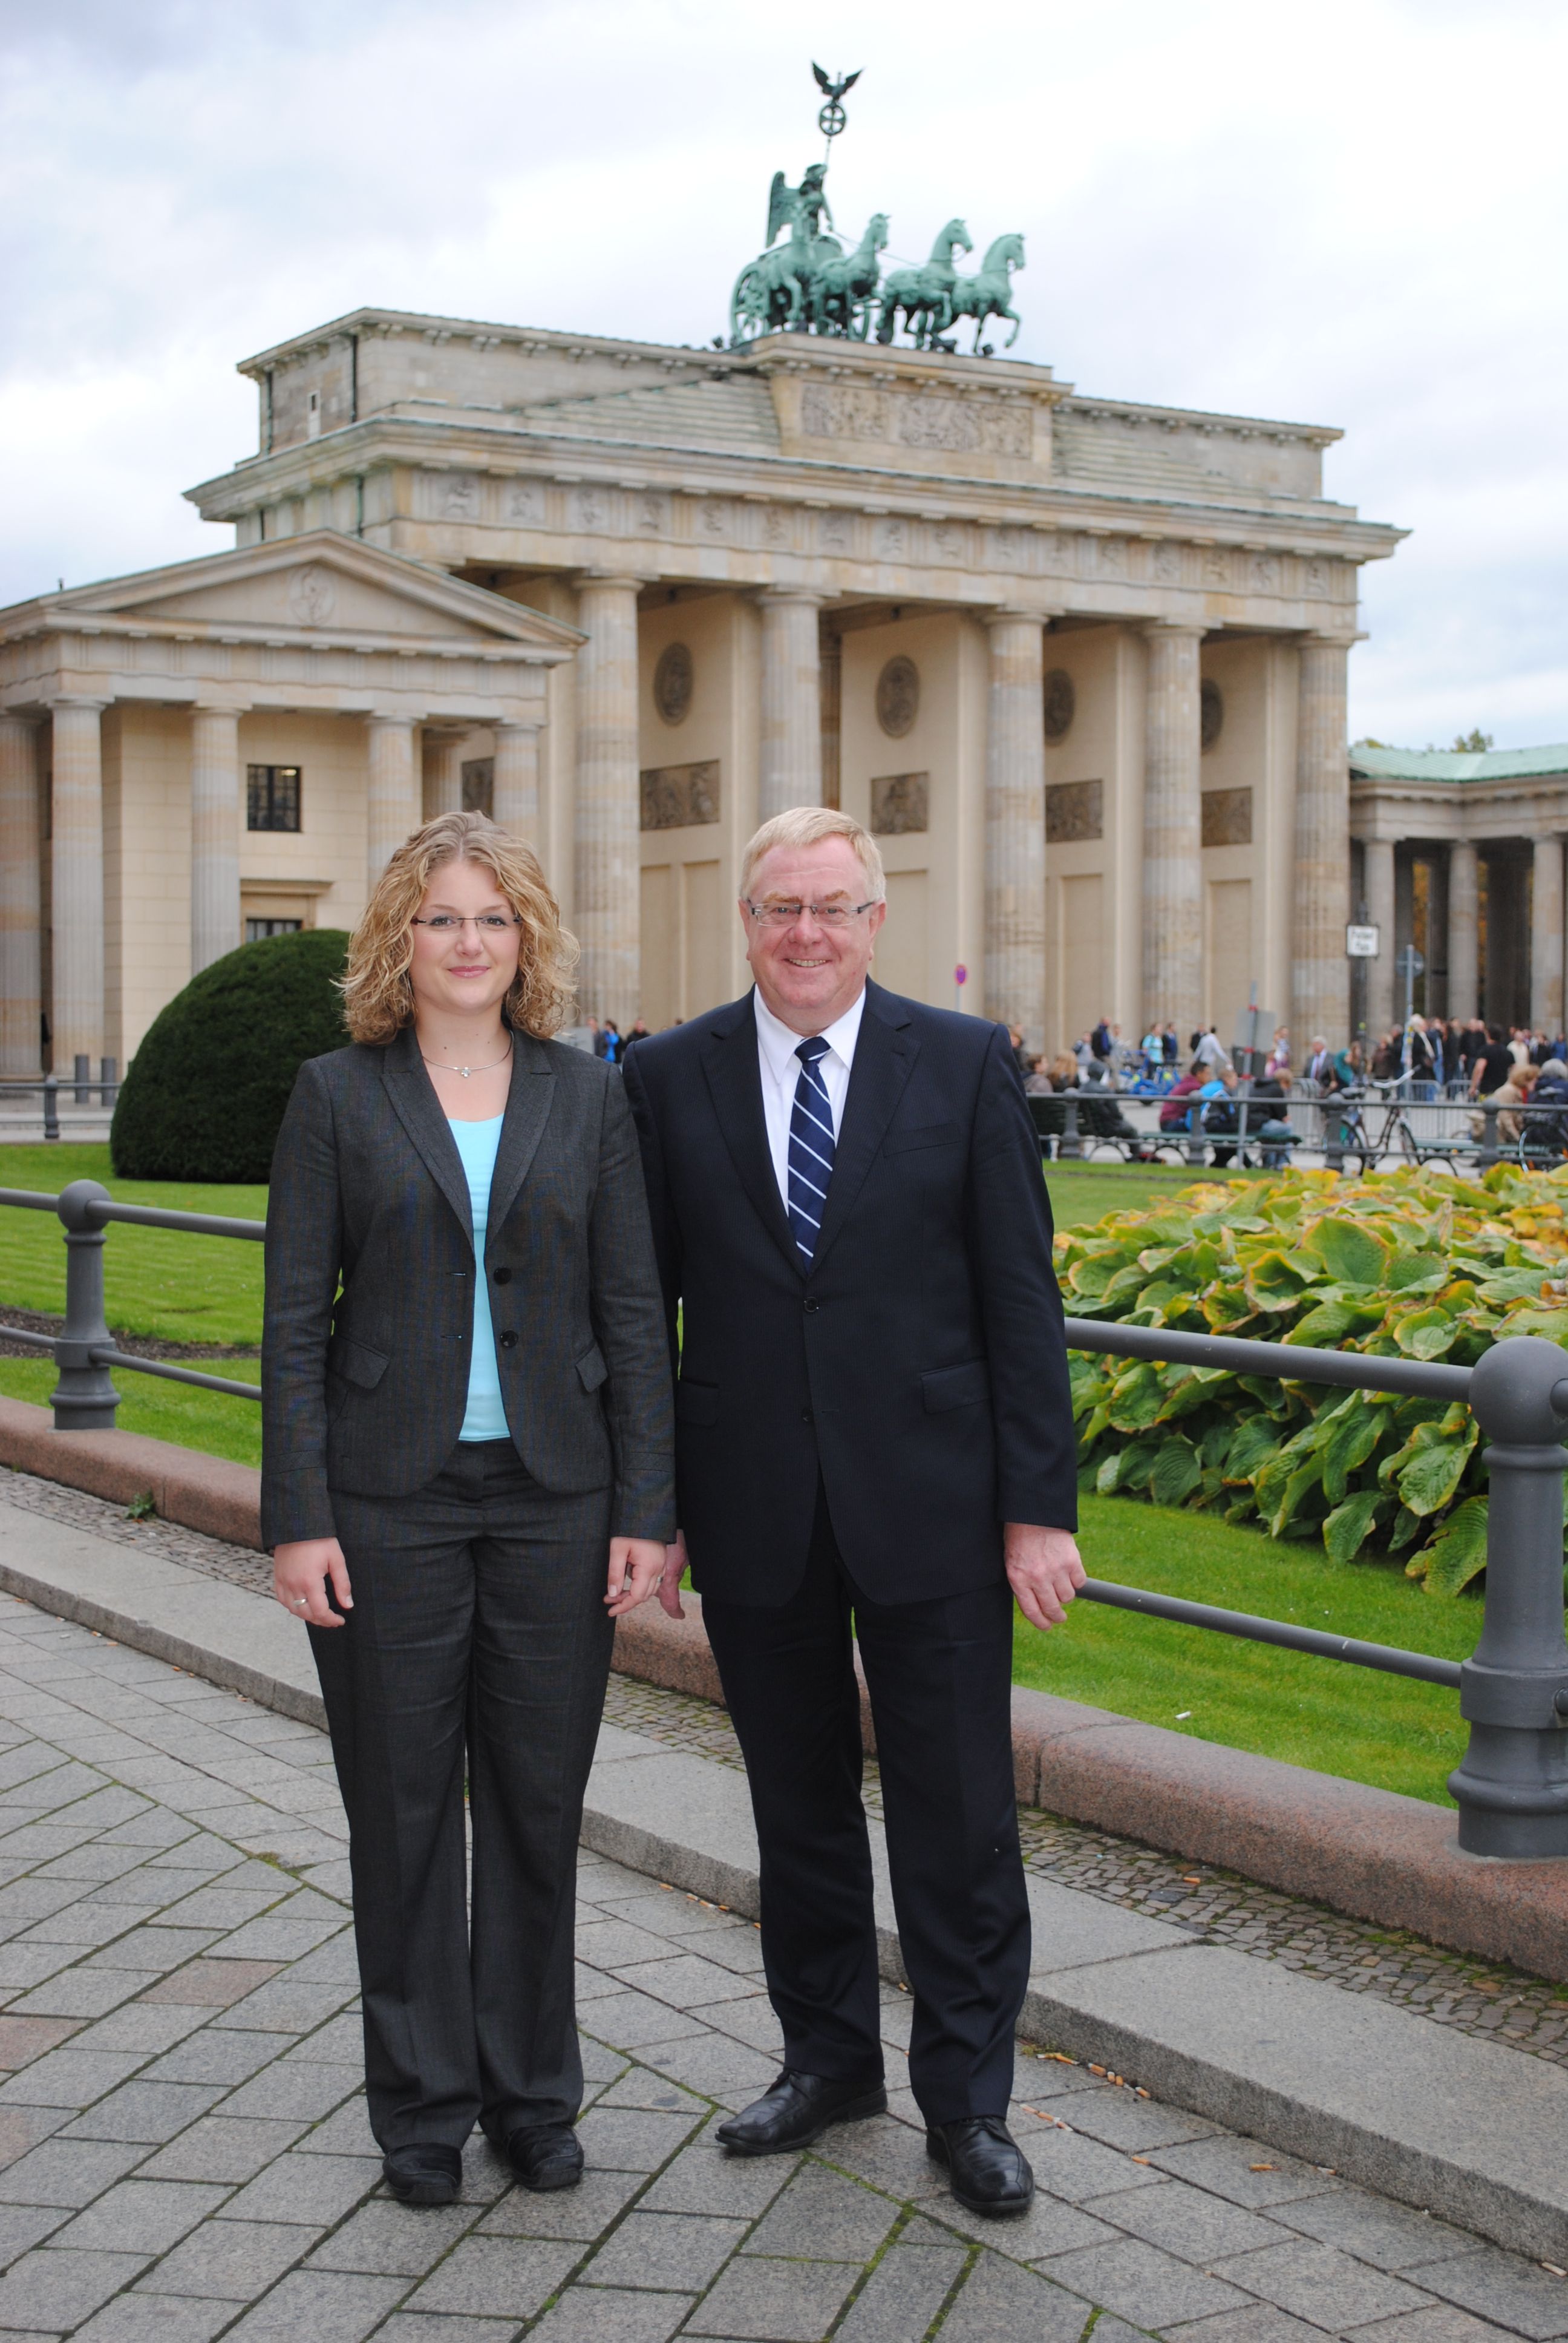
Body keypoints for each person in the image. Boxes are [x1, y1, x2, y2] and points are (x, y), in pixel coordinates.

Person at [622, 806, 1083, 2221]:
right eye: (780, 907)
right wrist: (655, 1508)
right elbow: (645, 1314)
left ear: (878, 921)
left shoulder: (959, 1061)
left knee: (956, 1820)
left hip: (937, 1506)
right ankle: (826, 2062)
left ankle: (970, 2105)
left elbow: (1021, 1298)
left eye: (833, 906)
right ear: (745, 920)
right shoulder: (668, 1074)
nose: (805, 933)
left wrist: (1035, 1510)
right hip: (753, 1499)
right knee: (798, 1810)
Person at [263, 811, 675, 2209]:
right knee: (401, 1813)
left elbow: (634, 1311)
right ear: (401, 936)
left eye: (492, 919)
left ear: (527, 939)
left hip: (558, 1499)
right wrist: (297, 1515)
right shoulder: (336, 1093)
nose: (468, 942)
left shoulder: (589, 1095)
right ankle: (422, 2109)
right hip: (387, 1503)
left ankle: (532, 2097)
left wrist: (646, 1505)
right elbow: (290, 1324)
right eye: (442, 917)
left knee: (536, 1808)